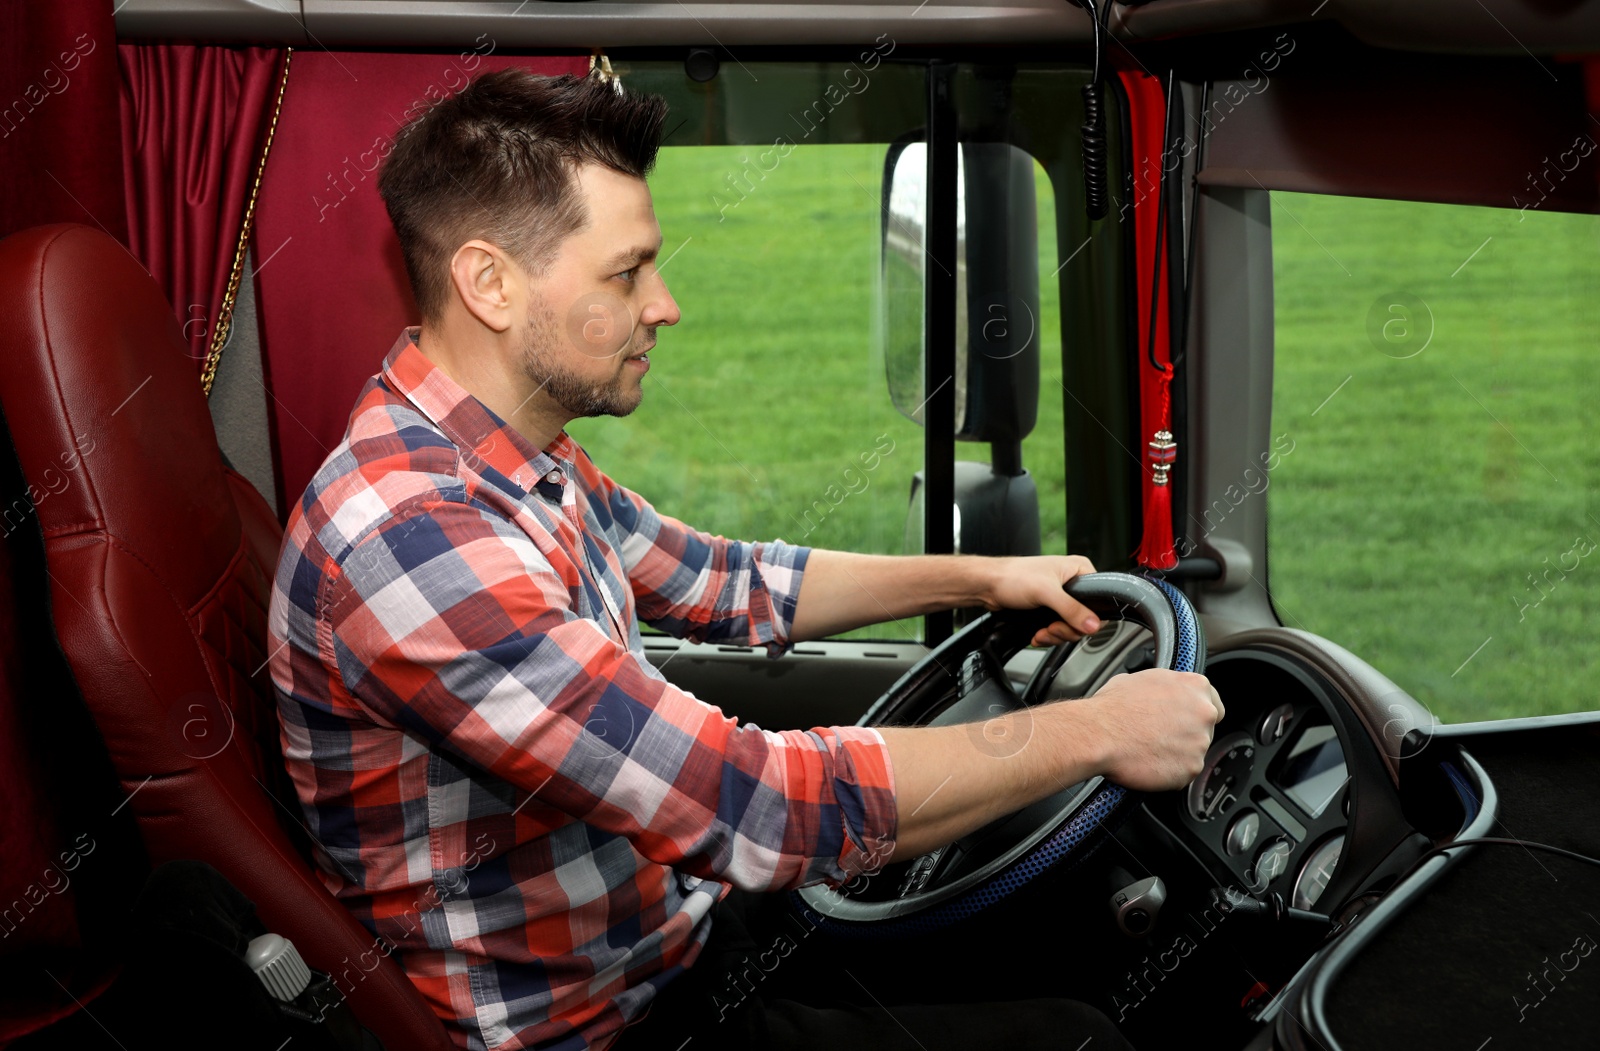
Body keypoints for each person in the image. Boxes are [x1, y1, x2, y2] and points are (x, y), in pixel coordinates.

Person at [267, 67, 1223, 1051]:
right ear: (490, 283)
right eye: (626, 271)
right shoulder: (414, 541)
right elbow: (757, 804)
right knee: (1080, 1037)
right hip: (608, 1027)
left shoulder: (511, 460)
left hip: (672, 938)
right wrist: (1094, 732)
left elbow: (727, 582)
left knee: (1051, 949)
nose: (665, 303)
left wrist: (980, 578)